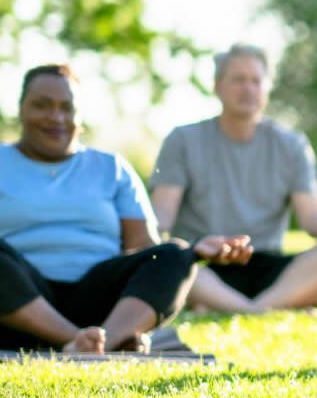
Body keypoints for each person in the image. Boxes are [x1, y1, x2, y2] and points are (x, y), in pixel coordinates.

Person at [0, 65, 251, 354]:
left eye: (67, 108)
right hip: (17, 300)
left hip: (98, 300)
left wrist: (193, 252)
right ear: (21, 109)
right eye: (42, 106)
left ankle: (102, 339)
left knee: (173, 252)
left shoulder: (111, 168)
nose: (56, 117)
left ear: (80, 116)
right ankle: (76, 341)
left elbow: (144, 248)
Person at [149, 43, 317, 314]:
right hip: (205, 266)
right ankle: (269, 309)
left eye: (256, 81)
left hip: (270, 270)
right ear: (218, 86)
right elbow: (161, 218)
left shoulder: (292, 144)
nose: (248, 89)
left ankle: (243, 307)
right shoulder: (182, 141)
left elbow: (313, 220)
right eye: (238, 80)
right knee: (169, 252)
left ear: (267, 88)